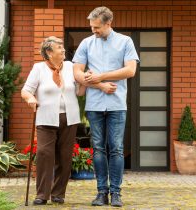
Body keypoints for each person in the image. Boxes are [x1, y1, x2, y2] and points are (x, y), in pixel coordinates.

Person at [72, 6, 139, 207]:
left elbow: (130, 70)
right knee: (98, 148)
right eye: (92, 27)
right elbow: (77, 73)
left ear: (108, 23)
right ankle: (101, 192)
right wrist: (100, 85)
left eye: (97, 27)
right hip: (94, 104)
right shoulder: (86, 43)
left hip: (117, 105)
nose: (93, 31)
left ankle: (116, 193)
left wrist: (101, 75)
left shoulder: (125, 42)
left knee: (117, 149)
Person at [21, 36, 85, 205]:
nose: (63, 50)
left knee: (64, 157)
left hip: (69, 118)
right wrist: (30, 99)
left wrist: (86, 81)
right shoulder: (39, 68)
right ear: (49, 52)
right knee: (44, 154)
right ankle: (42, 194)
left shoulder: (71, 67)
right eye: (59, 47)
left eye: (63, 47)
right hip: (46, 118)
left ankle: (58, 194)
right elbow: (26, 91)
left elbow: (79, 92)